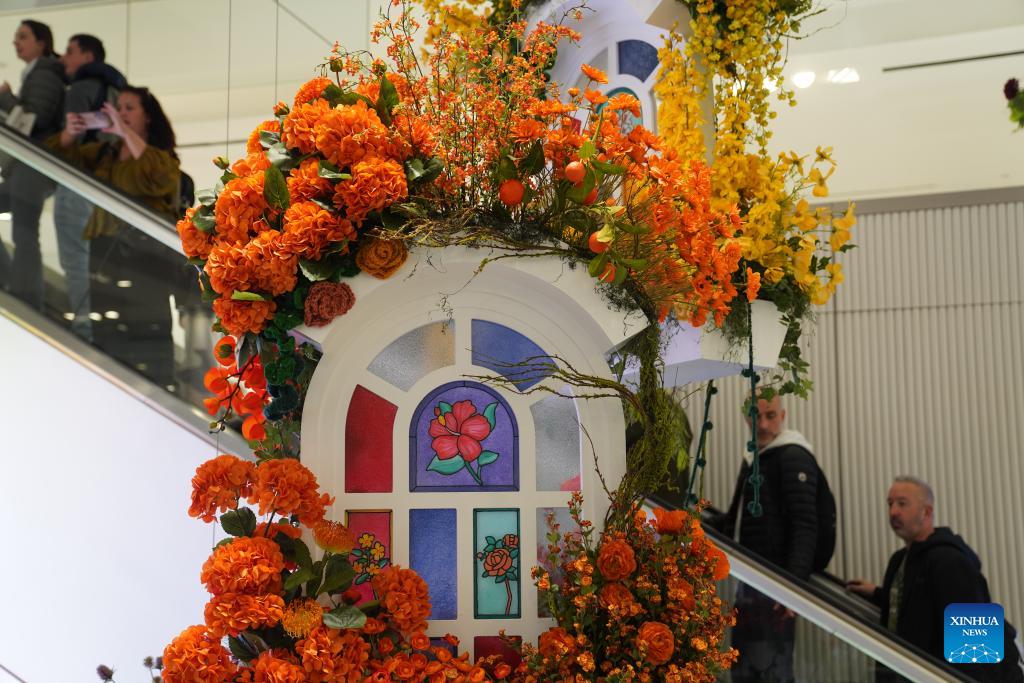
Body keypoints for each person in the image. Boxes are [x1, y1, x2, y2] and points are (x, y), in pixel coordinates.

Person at [49, 86, 182, 387]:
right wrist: (70, 133)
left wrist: (124, 132)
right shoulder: (104, 154)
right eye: (118, 108)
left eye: (129, 108)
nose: (121, 113)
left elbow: (162, 177)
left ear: (148, 117)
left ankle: (158, 389)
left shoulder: (159, 157)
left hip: (146, 259)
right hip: (104, 254)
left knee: (149, 328)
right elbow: (58, 160)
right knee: (106, 333)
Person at [846, 476, 1023, 682]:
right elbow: (915, 605)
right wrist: (878, 593)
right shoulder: (900, 560)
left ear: (927, 512)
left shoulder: (950, 561)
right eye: (890, 504)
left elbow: (974, 644)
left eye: (902, 504)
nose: (893, 512)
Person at [716, 394, 821, 683]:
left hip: (774, 589)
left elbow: (805, 524)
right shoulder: (755, 456)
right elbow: (738, 517)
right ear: (746, 418)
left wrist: (792, 587)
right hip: (752, 583)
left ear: (782, 416)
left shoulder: (792, 455)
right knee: (747, 670)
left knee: (768, 670)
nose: (762, 424)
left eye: (770, 415)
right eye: (755, 415)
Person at [54, 33, 126, 341]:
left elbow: (67, 143)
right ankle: (98, 328)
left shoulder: (80, 89)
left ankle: (82, 327)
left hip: (78, 179)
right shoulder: (117, 92)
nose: (63, 58)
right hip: (107, 185)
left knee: (74, 258)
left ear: (88, 56)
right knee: (95, 259)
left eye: (70, 51)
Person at [0, 19, 64, 309]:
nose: (16, 42)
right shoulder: (38, 74)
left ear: (41, 42)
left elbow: (32, 120)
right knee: (25, 232)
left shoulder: (44, 74)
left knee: (25, 233)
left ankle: (26, 298)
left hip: (33, 167)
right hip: (27, 168)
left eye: (23, 36)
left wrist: (5, 98)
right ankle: (14, 285)